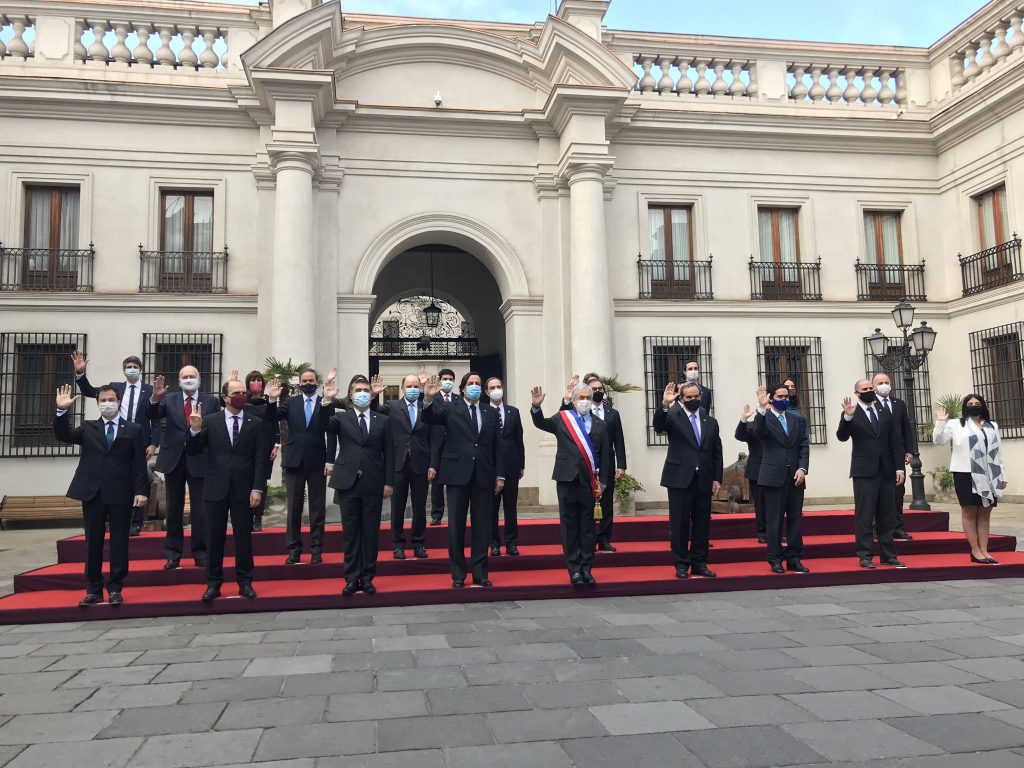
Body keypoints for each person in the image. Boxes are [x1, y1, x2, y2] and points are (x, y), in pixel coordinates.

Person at [53, 384, 148, 607]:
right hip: (93, 492)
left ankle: (115, 587)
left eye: (111, 399)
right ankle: (93, 588)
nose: (107, 403)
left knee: (119, 542)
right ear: (97, 403)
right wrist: (61, 411)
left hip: (121, 492)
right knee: (93, 541)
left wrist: (141, 491)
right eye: (103, 400)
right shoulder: (88, 428)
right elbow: (63, 435)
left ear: (118, 401)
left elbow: (139, 465)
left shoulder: (133, 429)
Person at [186, 379, 271, 602]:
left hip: (244, 489)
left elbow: (260, 460)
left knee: (243, 538)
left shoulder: (255, 422)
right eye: (236, 393)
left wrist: (257, 488)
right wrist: (194, 429)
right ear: (225, 397)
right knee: (214, 538)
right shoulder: (210, 421)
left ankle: (245, 583)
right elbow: (194, 450)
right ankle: (213, 583)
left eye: (243, 392)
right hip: (215, 487)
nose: (241, 395)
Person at [422, 372, 504, 588]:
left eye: (478, 383)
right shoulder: (450, 407)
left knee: (481, 526)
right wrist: (428, 399)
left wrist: (500, 475)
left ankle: (480, 573)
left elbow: (497, 446)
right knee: (456, 527)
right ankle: (458, 575)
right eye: (471, 384)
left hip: (483, 474)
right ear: (463, 388)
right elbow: (429, 418)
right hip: (457, 473)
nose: (475, 386)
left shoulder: (490, 412)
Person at [531, 381, 611, 585]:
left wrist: (603, 481)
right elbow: (542, 424)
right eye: (580, 398)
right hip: (567, 479)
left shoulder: (601, 425)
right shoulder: (563, 419)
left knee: (588, 526)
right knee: (569, 525)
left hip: (589, 482)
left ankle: (587, 567)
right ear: (573, 401)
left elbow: (606, 455)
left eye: (587, 397)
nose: (584, 401)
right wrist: (536, 407)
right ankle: (574, 569)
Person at [71, 351, 159, 536]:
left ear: (141, 370)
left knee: (139, 478)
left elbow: (156, 420)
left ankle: (136, 522)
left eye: (135, 367)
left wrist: (153, 443)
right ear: (124, 370)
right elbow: (89, 391)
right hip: (113, 437)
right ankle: (109, 519)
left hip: (138, 440)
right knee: (111, 477)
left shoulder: (150, 390)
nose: (132, 370)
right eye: (129, 367)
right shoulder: (114, 388)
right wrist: (80, 374)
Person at [323, 374, 394, 595]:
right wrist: (326, 401)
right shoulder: (340, 419)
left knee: (371, 532)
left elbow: (390, 453)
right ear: (351, 396)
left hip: (374, 482)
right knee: (351, 532)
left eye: (366, 390)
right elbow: (320, 424)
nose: (362, 393)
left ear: (371, 395)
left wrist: (389, 482)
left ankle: (368, 576)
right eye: (358, 390)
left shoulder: (383, 420)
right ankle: (352, 578)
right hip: (348, 482)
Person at [149, 366, 221, 570]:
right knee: (173, 509)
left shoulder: (211, 401)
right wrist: (154, 398)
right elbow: (152, 415)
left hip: (200, 459)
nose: (188, 379)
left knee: (200, 510)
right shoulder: (168, 399)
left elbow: (215, 430)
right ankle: (173, 554)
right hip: (174, 459)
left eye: (192, 376)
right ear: (179, 380)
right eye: (184, 377)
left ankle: (200, 553)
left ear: (200, 379)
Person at [653, 381, 723, 578]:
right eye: (689, 397)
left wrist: (717, 478)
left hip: (704, 479)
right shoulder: (673, 416)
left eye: (696, 396)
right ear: (681, 399)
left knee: (702, 524)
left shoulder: (710, 421)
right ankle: (681, 564)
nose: (693, 400)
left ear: (700, 396)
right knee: (680, 524)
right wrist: (665, 405)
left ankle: (700, 563)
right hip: (679, 479)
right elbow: (658, 425)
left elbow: (717, 451)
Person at [267, 368, 336, 564]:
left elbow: (330, 430)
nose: (307, 383)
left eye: (311, 380)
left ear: (317, 381)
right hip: (294, 460)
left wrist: (330, 460)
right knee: (294, 508)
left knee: (317, 509)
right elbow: (273, 417)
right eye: (304, 380)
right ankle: (294, 550)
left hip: (317, 461)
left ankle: (316, 549)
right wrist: (272, 400)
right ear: (299, 382)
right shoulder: (291, 402)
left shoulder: (326, 401)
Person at [837, 379, 906, 569]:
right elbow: (841, 436)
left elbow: (895, 441)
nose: (869, 391)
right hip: (864, 471)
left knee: (887, 514)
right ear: (857, 393)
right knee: (865, 515)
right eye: (864, 389)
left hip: (887, 470)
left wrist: (899, 467)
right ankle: (865, 555)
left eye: (870, 388)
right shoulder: (852, 412)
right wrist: (847, 417)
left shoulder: (884, 411)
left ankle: (888, 554)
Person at [933, 393, 1009, 564]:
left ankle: (984, 549)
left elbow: (998, 453)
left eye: (977, 403)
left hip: (989, 473)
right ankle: (975, 550)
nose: (974, 405)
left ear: (983, 405)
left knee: (985, 512)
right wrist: (941, 422)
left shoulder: (992, 426)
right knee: (969, 511)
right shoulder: (956, 424)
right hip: (965, 473)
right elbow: (938, 441)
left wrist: (1002, 475)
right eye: (970, 403)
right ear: (965, 407)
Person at [561, 373, 627, 553]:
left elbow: (619, 441)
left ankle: (604, 538)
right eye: (594, 389)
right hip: (584, 466)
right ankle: (586, 539)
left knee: (606, 503)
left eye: (600, 389)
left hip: (605, 464)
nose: (598, 392)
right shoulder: (580, 414)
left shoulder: (613, 414)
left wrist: (621, 465)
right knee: (586, 505)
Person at [373, 373, 436, 560]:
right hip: (397, 463)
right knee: (397, 507)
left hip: (421, 463)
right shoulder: (392, 407)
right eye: (409, 386)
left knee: (419, 507)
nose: (413, 389)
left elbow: (434, 436)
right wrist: (374, 395)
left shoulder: (426, 407)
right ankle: (398, 545)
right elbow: (373, 414)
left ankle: (418, 544)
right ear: (402, 388)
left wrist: (433, 464)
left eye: (416, 386)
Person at [752, 384, 811, 574]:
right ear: (771, 398)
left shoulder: (797, 419)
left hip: (795, 477)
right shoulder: (764, 417)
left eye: (786, 396)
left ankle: (794, 558)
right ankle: (775, 558)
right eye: (780, 396)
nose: (784, 399)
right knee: (774, 521)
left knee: (795, 519)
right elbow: (758, 432)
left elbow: (803, 445)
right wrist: (761, 408)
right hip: (772, 477)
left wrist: (802, 468)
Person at [230, 369, 280, 533]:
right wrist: (231, 384)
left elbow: (274, 422)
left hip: (265, 447)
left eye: (258, 380)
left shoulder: (269, 402)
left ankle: (258, 517)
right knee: (244, 482)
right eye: (252, 380)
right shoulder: (243, 402)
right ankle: (246, 516)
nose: (256, 382)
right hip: (246, 446)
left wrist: (276, 444)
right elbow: (225, 408)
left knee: (261, 483)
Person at [872, 372, 915, 541]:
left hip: (897, 455)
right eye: (880, 382)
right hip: (877, 455)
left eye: (886, 382)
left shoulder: (899, 404)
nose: (884, 385)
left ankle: (897, 527)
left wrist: (909, 450)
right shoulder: (870, 404)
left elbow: (906, 427)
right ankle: (876, 527)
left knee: (897, 492)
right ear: (874, 385)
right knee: (877, 493)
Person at [487, 376, 525, 557]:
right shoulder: (483, 411)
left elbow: (519, 439)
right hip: (490, 467)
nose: (496, 390)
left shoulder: (513, 412)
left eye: (498, 386)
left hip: (511, 466)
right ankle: (493, 543)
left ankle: (511, 543)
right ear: (486, 392)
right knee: (491, 509)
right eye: (492, 387)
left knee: (511, 507)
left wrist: (521, 464)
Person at [429, 368, 457, 525]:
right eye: (445, 378)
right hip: (437, 445)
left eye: (451, 379)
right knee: (437, 483)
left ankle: (455, 513)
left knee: (455, 482)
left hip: (455, 445)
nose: (448, 381)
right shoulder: (433, 397)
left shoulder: (459, 399)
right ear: (439, 380)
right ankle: (436, 514)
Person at [735, 403, 766, 544]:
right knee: (760, 504)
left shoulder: (781, 425)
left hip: (778, 469)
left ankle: (776, 532)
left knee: (777, 505)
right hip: (757, 470)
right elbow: (739, 435)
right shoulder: (752, 425)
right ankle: (762, 532)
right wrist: (743, 420)